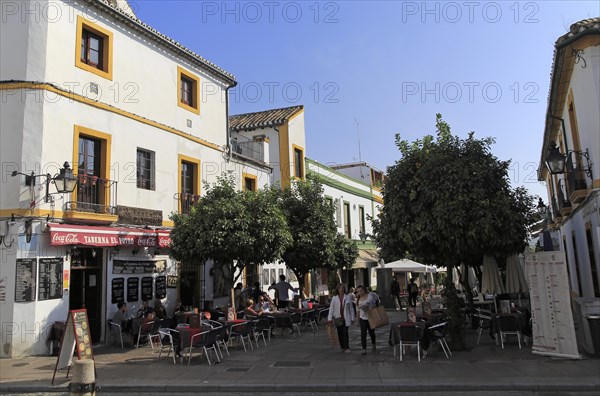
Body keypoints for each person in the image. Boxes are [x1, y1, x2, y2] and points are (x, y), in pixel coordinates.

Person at [327, 284, 355, 354]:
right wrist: (329, 318)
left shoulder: (348, 297)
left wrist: (352, 318)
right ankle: (342, 346)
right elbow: (331, 309)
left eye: (342, 288)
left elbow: (351, 308)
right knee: (340, 333)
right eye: (340, 288)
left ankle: (346, 347)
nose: (341, 290)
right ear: (338, 290)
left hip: (346, 318)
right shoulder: (334, 298)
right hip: (338, 318)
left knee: (345, 333)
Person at [355, 285, 377, 355]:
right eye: (358, 291)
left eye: (361, 291)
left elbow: (374, 306)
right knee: (363, 333)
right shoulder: (358, 299)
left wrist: (368, 306)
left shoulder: (370, 297)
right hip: (362, 318)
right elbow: (357, 310)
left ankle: (373, 343)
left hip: (370, 317)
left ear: (364, 290)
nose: (360, 293)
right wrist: (358, 320)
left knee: (371, 332)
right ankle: (364, 349)